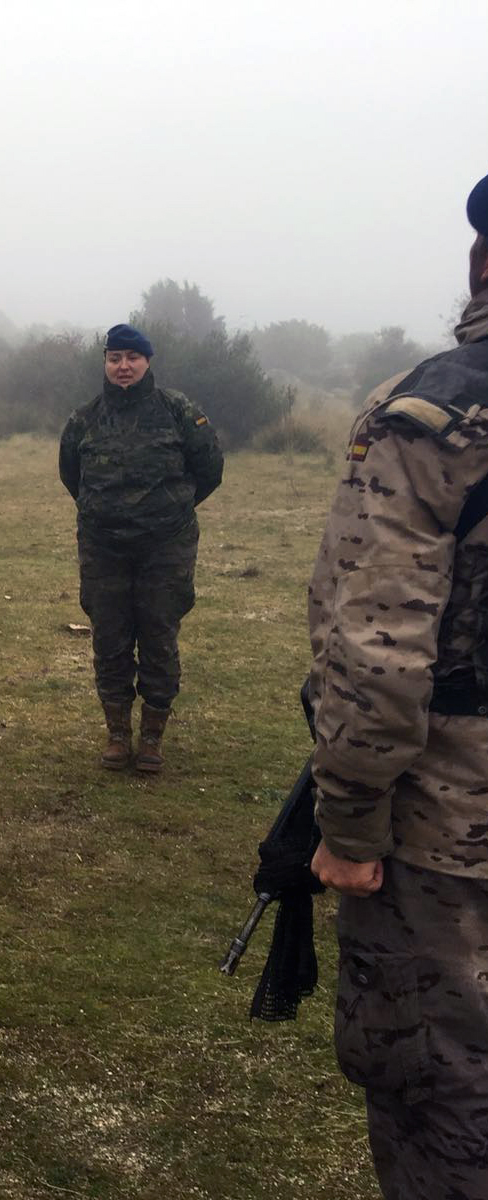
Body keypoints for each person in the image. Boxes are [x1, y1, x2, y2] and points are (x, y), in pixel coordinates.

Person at [307, 174, 488, 1200]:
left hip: (447, 826)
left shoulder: (436, 416)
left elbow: (376, 647)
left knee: (443, 1091)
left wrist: (351, 826)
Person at [58, 324, 223, 772]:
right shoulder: (84, 419)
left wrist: (167, 512)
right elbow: (72, 476)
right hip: (103, 549)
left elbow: (209, 469)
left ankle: (152, 738)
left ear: (147, 361)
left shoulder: (178, 411)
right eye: (114, 358)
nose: (123, 367)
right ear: (106, 363)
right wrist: (107, 515)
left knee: (159, 637)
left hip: (164, 549)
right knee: (109, 640)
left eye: (132, 357)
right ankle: (116, 734)